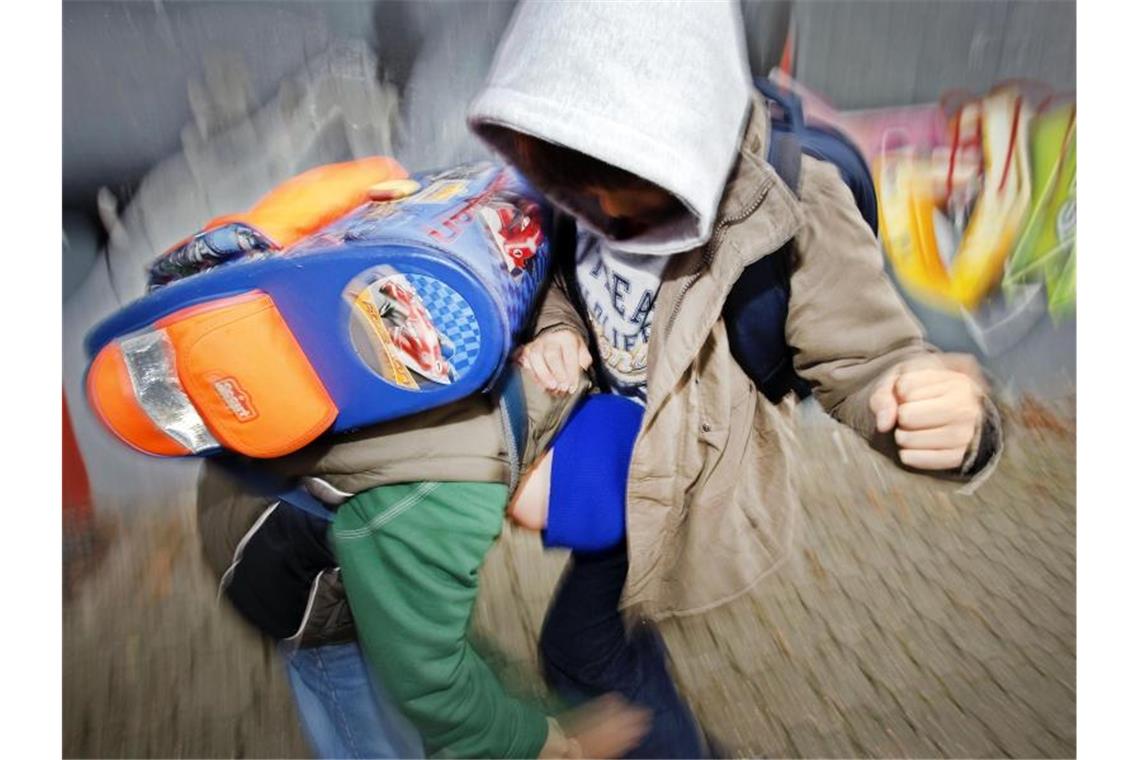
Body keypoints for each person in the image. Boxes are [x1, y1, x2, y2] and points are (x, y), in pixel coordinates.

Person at [465, 1, 1003, 757]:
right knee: (608, 621)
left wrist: (949, 421)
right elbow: (562, 277)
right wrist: (554, 334)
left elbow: (868, 359)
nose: (611, 217)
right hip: (605, 435)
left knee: (577, 647)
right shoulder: (570, 164)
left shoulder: (795, 198)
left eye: (641, 196)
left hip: (685, 471)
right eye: (586, 194)